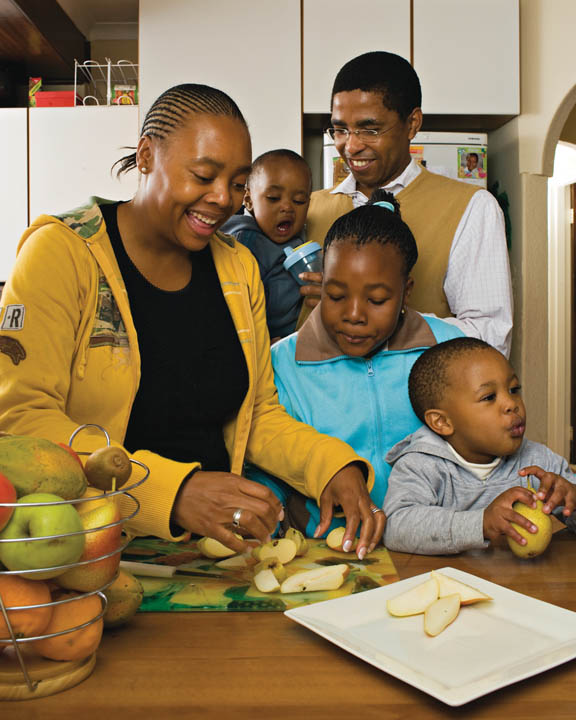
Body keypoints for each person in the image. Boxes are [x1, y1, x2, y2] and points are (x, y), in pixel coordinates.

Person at [0, 83, 382, 559]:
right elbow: (22, 420)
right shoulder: (62, 253)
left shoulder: (237, 267)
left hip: (213, 553)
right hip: (86, 552)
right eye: (203, 175)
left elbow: (257, 412)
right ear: (145, 156)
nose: (223, 198)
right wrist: (173, 493)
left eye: (239, 183)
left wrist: (330, 465)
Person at [246, 190, 463, 557]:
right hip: (326, 553)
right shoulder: (282, 363)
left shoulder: (451, 349)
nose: (355, 315)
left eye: (377, 300)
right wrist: (266, 511)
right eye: (335, 296)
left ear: (405, 292)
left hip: (438, 549)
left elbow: (489, 438)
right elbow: (269, 462)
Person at [299, 51, 513, 357]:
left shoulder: (472, 208)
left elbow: (490, 340)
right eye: (340, 129)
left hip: (414, 404)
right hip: (314, 403)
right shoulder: (307, 209)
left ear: (412, 123)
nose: (351, 145)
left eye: (369, 129)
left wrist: (373, 309)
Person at [383, 337, 576, 555]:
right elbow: (396, 526)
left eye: (514, 389)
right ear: (442, 422)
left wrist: (573, 499)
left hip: (520, 585)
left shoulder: (540, 462)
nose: (512, 404)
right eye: (489, 397)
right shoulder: (421, 465)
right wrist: (482, 523)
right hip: (449, 585)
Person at [221, 149, 311, 341]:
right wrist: (260, 343)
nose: (287, 207)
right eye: (273, 198)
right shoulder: (246, 242)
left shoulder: (302, 238)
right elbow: (234, 306)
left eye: (299, 201)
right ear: (248, 200)